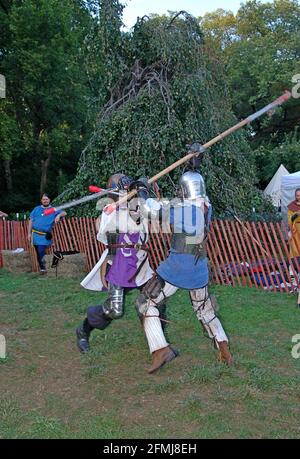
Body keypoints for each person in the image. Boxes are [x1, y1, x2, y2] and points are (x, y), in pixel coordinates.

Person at [132, 166, 233, 373]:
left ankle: (160, 349)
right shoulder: (206, 207)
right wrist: (195, 162)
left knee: (144, 303)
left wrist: (142, 191)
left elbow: (150, 211)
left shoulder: (179, 209)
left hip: (177, 268)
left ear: (184, 191)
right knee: (204, 310)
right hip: (200, 269)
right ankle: (223, 348)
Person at [76, 174, 178, 365]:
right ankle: (83, 330)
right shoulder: (110, 211)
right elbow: (105, 229)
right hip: (120, 267)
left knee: (157, 300)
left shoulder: (140, 206)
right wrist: (118, 206)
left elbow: (157, 211)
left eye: (128, 190)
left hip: (141, 267)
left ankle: (161, 346)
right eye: (124, 190)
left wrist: (145, 191)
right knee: (115, 311)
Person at [27, 194, 66, 274]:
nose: (45, 200)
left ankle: (44, 267)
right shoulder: (36, 209)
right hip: (35, 234)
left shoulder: (53, 209)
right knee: (38, 251)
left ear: (49, 200)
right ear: (41, 200)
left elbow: (64, 213)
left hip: (45, 235)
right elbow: (31, 220)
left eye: (46, 199)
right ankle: (42, 268)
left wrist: (58, 215)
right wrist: (29, 233)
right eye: (43, 199)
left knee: (41, 250)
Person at [288, 188, 300, 262]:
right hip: (296, 229)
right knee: (295, 249)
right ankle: (295, 267)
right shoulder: (292, 206)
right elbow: (289, 218)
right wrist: (296, 215)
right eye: (297, 195)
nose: (299, 197)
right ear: (295, 196)